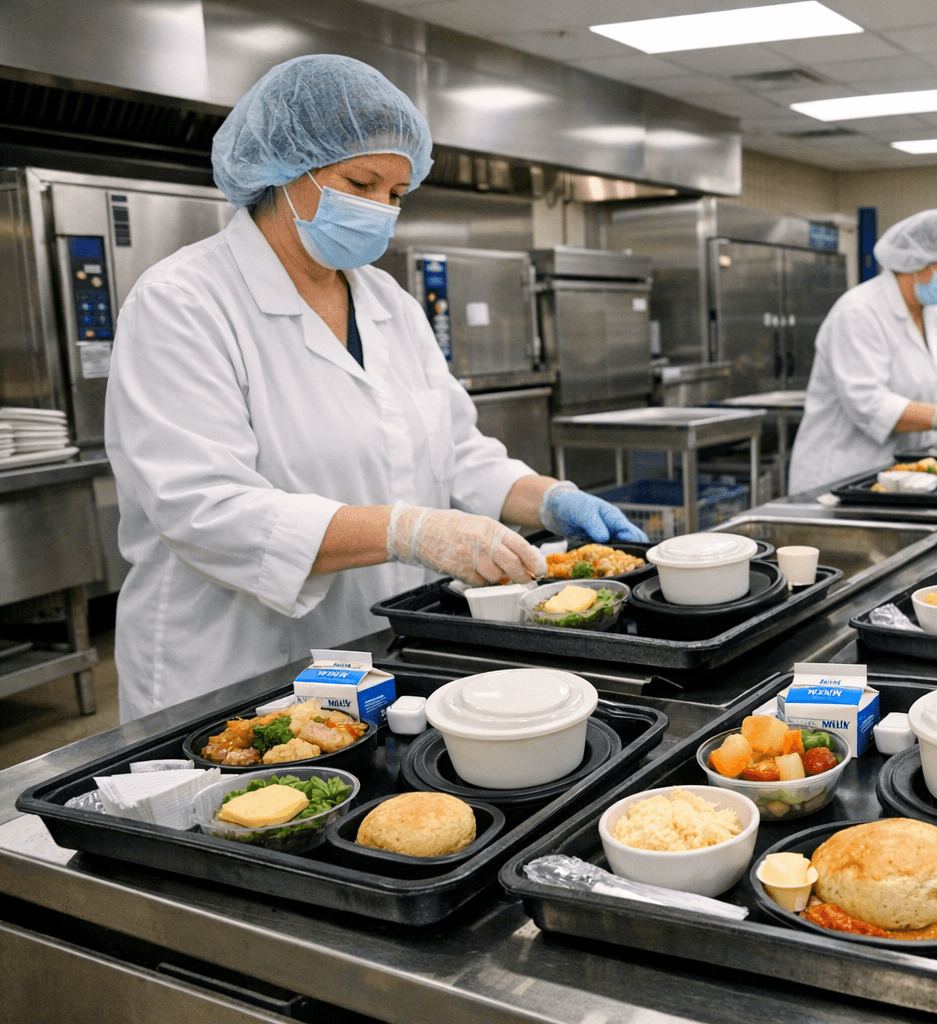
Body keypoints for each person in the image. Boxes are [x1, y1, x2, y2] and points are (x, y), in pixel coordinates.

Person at [104, 55, 646, 721]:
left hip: (379, 649)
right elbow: (204, 508)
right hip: (234, 661)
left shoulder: (387, 301)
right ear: (282, 170)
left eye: (396, 194)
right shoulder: (183, 302)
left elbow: (455, 453)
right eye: (360, 183)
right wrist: (407, 531)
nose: (379, 210)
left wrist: (551, 499)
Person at [786, 209, 937, 495]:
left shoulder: (932, 314)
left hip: (903, 474)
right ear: (916, 261)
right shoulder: (859, 312)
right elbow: (869, 405)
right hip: (841, 474)